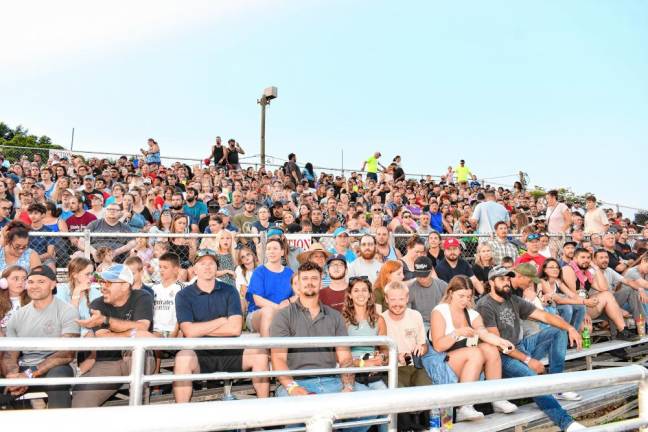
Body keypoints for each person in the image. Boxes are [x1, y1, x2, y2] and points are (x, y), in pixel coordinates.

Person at [477, 265, 586, 432]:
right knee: (533, 378)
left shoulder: (512, 299)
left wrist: (570, 328)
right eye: (501, 279)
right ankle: (567, 424)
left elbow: (544, 315)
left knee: (558, 331)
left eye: (508, 279)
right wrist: (528, 360)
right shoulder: (485, 305)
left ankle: (555, 385)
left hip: (521, 347)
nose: (506, 283)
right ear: (491, 282)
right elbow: (497, 344)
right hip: (503, 357)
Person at [270, 261, 374, 432]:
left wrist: (347, 386)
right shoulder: (283, 316)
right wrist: (292, 387)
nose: (309, 282)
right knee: (296, 421)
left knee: (372, 403)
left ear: (321, 281)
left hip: (332, 380)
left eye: (314, 278)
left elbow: (345, 357)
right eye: (305, 278)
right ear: (298, 283)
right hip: (298, 381)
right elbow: (278, 358)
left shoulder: (335, 316)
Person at [173, 249, 269, 403]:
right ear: (195, 269)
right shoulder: (184, 295)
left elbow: (235, 328)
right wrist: (221, 321)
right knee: (182, 358)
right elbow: (189, 331)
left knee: (260, 354)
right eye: (202, 263)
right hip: (200, 353)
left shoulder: (229, 290)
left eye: (211, 263)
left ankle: (265, 414)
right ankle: (183, 419)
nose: (207, 267)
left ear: (217, 267)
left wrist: (201, 329)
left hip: (230, 351)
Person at [430, 276, 518, 420]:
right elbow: (439, 346)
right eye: (461, 296)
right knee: (475, 353)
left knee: (490, 348)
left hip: (467, 360)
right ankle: (464, 406)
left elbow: (483, 333)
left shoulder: (472, 313)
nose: (465, 300)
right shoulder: (440, 311)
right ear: (451, 293)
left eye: (468, 296)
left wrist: (501, 341)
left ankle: (496, 398)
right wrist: (457, 333)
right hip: (442, 361)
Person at [72, 264, 155, 407]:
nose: (103, 286)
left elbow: (143, 326)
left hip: (136, 356)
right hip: (108, 361)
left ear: (124, 285)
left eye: (108, 282)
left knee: (137, 352)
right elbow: (104, 338)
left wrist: (107, 321)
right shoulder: (97, 304)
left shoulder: (142, 297)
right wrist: (133, 334)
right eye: (101, 282)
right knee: (80, 402)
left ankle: (140, 415)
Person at [3, 265, 80, 408]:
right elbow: (10, 354)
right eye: (31, 282)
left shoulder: (67, 311)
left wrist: (29, 375)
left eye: (41, 282)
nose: (34, 286)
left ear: (53, 284)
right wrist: (14, 377)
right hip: (25, 368)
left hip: (55, 367)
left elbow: (67, 354)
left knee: (58, 379)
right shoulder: (18, 315)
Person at [562, 248, 637, 340]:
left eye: (588, 257)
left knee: (606, 294)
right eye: (583, 257)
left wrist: (596, 268)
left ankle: (622, 330)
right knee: (587, 329)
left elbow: (603, 288)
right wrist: (583, 312)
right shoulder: (567, 269)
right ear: (574, 258)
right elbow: (573, 294)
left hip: (585, 305)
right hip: (572, 308)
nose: (586, 260)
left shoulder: (588, 272)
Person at [341, 277, 388, 392]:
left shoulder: (379, 320)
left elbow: (385, 349)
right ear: (350, 295)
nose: (360, 294)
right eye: (356, 290)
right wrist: (363, 364)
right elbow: (340, 356)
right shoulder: (343, 320)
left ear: (369, 295)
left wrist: (380, 359)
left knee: (385, 395)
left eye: (364, 290)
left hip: (373, 372)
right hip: (351, 372)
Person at [246, 238, 294, 336]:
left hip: (283, 315)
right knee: (268, 311)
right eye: (268, 249)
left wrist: (288, 301)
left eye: (275, 248)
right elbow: (258, 300)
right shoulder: (259, 272)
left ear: (282, 252)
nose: (271, 251)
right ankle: (266, 348)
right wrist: (278, 308)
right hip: (258, 314)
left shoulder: (290, 273)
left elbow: (298, 295)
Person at [56, 257, 102, 336]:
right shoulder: (62, 290)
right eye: (87, 274)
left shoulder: (95, 292)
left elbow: (97, 321)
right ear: (75, 275)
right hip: (67, 332)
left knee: (90, 333)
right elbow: (67, 320)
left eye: (92, 273)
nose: (91, 277)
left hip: (89, 332)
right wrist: (76, 292)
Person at [407, 256, 447, 331]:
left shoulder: (442, 285)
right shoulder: (410, 288)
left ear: (431, 271)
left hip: (441, 321)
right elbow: (408, 314)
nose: (421, 278)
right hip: (421, 324)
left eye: (424, 275)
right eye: (419, 275)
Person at [152, 253, 184, 338]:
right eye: (160, 267)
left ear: (175, 269)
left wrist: (175, 331)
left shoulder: (181, 288)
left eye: (165, 267)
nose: (161, 270)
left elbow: (182, 313)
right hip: (156, 330)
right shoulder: (154, 288)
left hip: (174, 330)